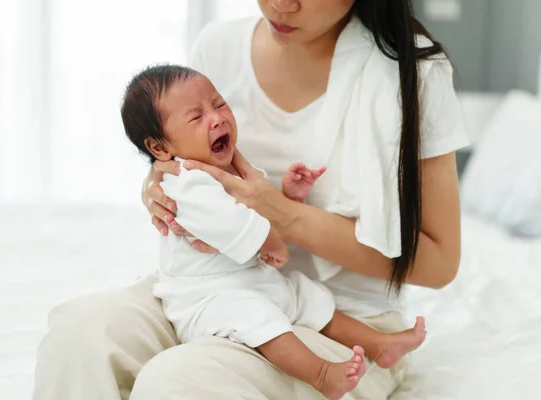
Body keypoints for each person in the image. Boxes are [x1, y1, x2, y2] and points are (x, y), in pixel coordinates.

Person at [33, 1, 469, 399]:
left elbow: (439, 262)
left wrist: (284, 217)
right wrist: (156, 182)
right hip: (216, 284)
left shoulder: (412, 72)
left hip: (341, 320)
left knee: (176, 380)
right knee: (79, 335)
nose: (281, 4)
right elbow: (178, 147)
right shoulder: (219, 48)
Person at [119, 64, 428, 399]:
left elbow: (257, 208)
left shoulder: (223, 169)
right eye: (196, 117)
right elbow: (237, 225)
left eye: (219, 104)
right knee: (258, 318)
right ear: (160, 148)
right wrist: (273, 243)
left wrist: (287, 199)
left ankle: (379, 344)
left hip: (247, 282)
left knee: (305, 296)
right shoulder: (187, 185)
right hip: (207, 300)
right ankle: (322, 373)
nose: (217, 118)